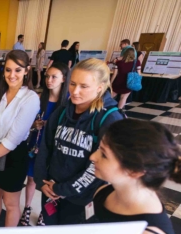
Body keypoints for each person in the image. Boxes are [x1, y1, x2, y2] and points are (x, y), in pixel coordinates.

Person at [34, 58, 124, 225]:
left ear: (100, 87)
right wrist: (42, 182)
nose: (75, 91)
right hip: (51, 189)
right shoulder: (62, 112)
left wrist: (62, 190)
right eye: (73, 84)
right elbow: (45, 147)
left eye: (84, 86)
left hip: (81, 199)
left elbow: (98, 167)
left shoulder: (109, 119)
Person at [0, 50, 40, 227]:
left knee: (11, 203)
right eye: (8, 70)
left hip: (13, 156)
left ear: (27, 70)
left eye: (18, 70)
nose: (12, 75)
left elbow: (13, 139)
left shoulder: (30, 98)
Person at [21, 62, 70, 226]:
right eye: (47, 76)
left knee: (49, 181)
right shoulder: (40, 97)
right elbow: (29, 120)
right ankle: (27, 208)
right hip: (36, 144)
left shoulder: (67, 102)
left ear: (63, 79)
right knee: (31, 179)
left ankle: (44, 211)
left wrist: (51, 124)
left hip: (53, 148)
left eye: (54, 77)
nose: (49, 80)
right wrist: (35, 125)